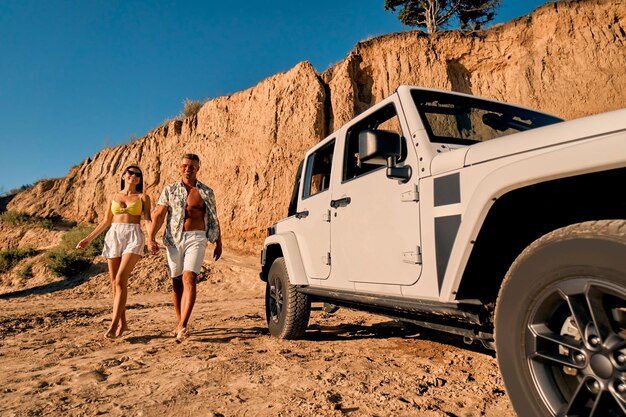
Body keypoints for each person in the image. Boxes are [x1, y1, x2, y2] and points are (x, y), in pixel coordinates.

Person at [148, 153, 222, 342]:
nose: (188, 168)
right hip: (173, 239)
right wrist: (150, 237)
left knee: (189, 278)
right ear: (179, 167)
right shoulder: (169, 190)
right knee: (176, 281)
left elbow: (213, 217)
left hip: (197, 237)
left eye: (192, 166)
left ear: (198, 168)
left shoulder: (206, 191)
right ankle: (179, 321)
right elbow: (158, 214)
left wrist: (218, 241)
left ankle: (183, 325)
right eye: (185, 165)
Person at [76, 165, 152, 339]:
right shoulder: (113, 196)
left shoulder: (143, 197)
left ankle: (113, 324)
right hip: (113, 236)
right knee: (114, 284)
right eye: (130, 173)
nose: (134, 176)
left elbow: (147, 219)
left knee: (120, 279)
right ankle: (123, 323)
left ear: (140, 179)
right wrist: (88, 239)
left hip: (133, 235)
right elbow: (106, 221)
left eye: (138, 174)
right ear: (123, 175)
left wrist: (150, 239)